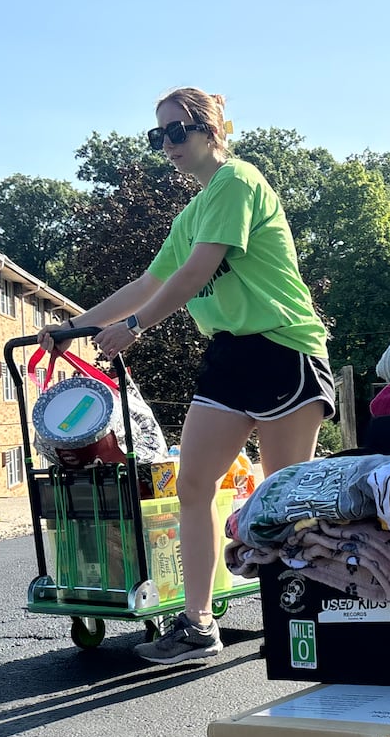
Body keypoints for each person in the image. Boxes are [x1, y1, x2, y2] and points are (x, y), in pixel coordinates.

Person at [40, 88, 333, 665]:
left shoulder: (238, 181)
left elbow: (199, 271)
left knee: (283, 495)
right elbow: (150, 283)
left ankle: (302, 613)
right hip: (229, 357)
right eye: (159, 135)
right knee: (193, 486)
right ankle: (198, 626)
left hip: (282, 348)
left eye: (178, 130)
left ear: (213, 128)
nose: (168, 144)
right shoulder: (192, 213)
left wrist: (136, 327)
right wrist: (75, 326)